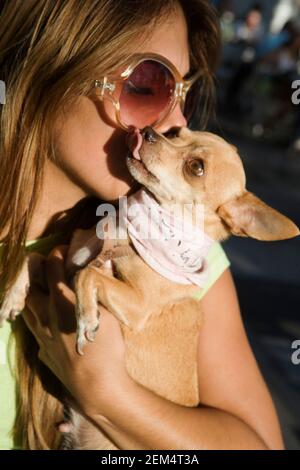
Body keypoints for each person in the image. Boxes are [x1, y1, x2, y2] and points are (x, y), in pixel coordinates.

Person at [0, 0, 284, 450]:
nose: (174, 123)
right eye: (149, 85)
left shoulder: (185, 261)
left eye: (184, 93)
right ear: (47, 71)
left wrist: (110, 396)